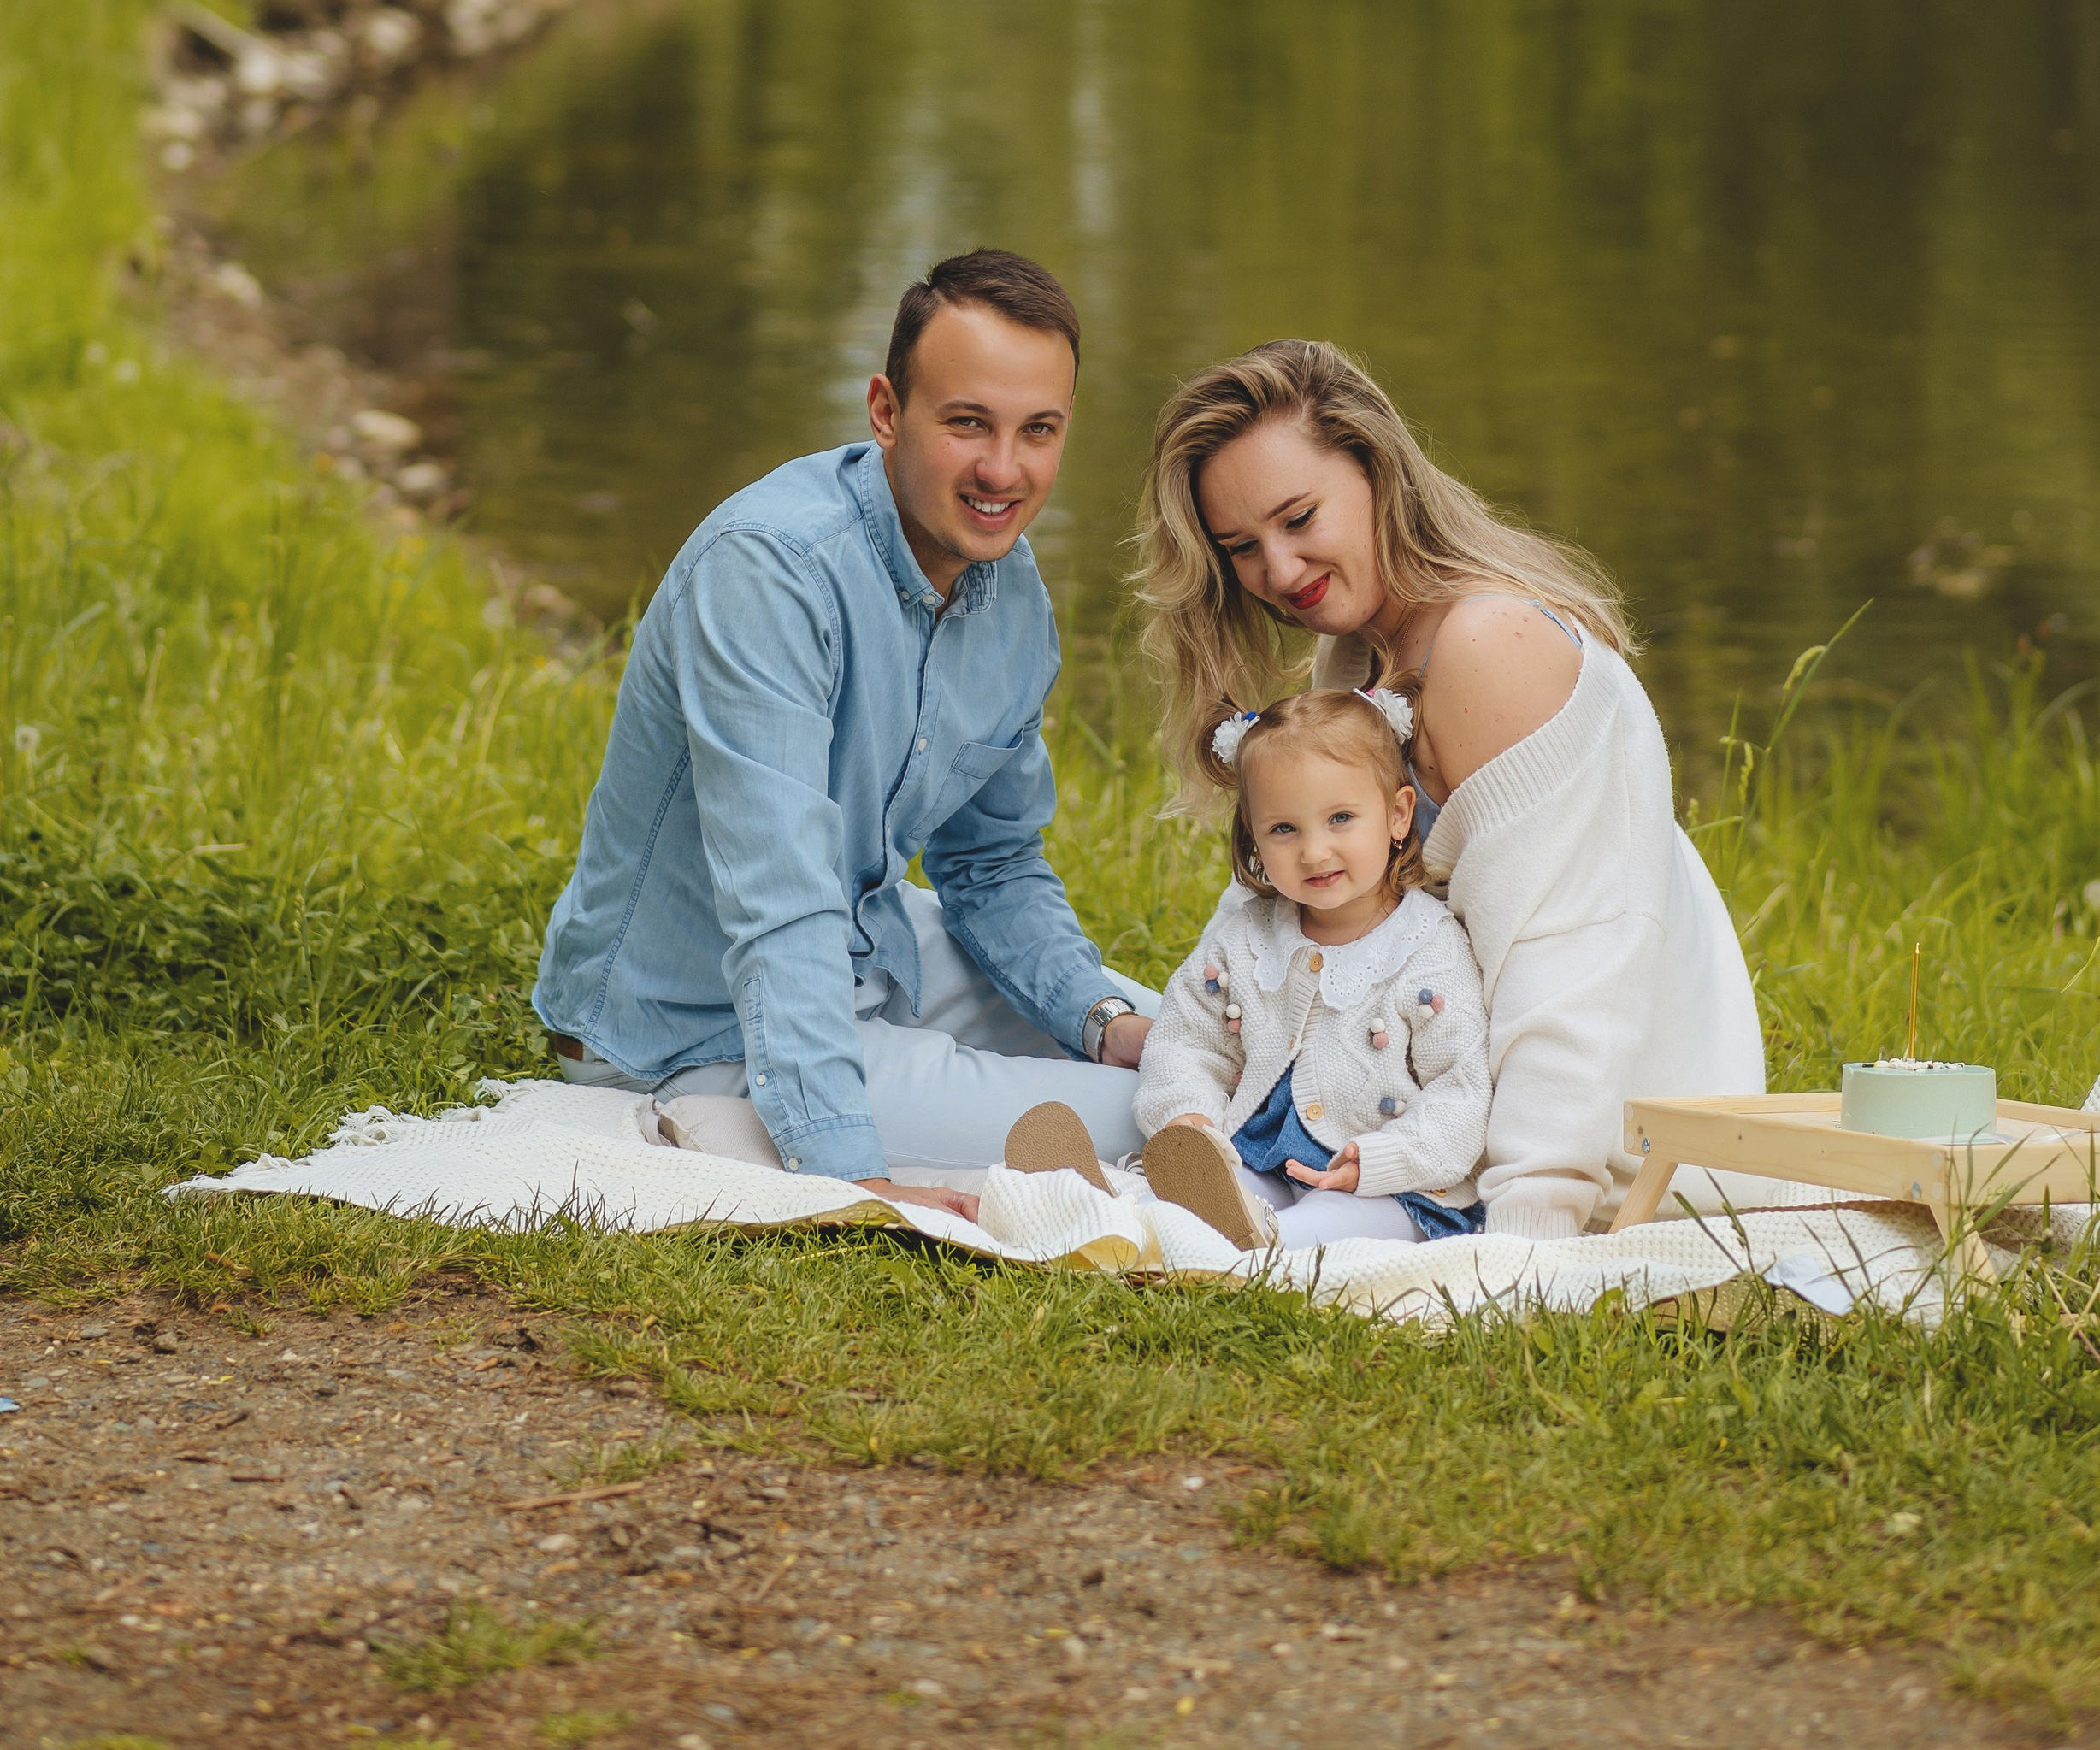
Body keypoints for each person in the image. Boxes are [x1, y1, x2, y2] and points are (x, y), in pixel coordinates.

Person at [533, 249, 1159, 1220]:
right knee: (1142, 1112)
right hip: (697, 1030)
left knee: (1182, 1043)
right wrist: (848, 1173)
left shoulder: (1011, 589)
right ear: (884, 409)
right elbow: (781, 901)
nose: (1004, 470)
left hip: (871, 948)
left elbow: (992, 867)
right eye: (966, 424)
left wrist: (1100, 1017)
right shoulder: (771, 571)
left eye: (1038, 430)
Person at [1136, 339, 1767, 1241]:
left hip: (1609, 1145)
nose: (1277, 571)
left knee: (1279, 1231)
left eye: (1299, 516)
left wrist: (1526, 1242)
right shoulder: (1359, 651)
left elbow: (1572, 977)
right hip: (1418, 1100)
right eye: (1241, 547)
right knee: (1156, 1094)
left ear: (1376, 469)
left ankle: (1173, 1219)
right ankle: (1143, 1196)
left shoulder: (1492, 644)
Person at [1132, 680, 1490, 1252]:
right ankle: (1136, 1217)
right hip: (1259, 1157)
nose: (1314, 851)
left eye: (1341, 817)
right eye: (1284, 829)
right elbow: (1185, 1041)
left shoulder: (1430, 948)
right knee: (1200, 1196)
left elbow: (1463, 1090)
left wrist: (1378, 1160)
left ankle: (1253, 1248)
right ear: (1252, 835)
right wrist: (1189, 1117)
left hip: (1384, 1185)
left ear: (1399, 815)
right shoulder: (1243, 939)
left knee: (1323, 1227)